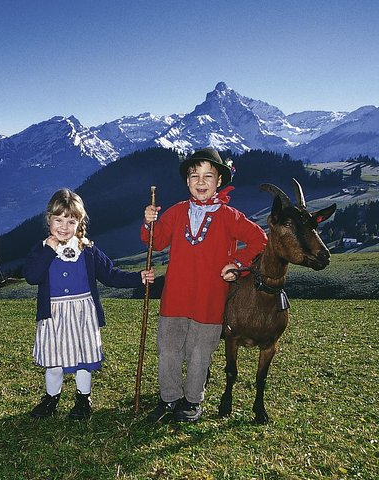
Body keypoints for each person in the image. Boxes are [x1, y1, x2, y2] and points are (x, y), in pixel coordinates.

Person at [141, 148, 267, 423]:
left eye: (208, 176)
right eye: (194, 175)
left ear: (219, 180)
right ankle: (169, 398)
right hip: (174, 297)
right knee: (169, 349)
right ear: (187, 181)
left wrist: (237, 263)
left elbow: (260, 241)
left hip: (210, 299)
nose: (201, 181)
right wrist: (150, 223)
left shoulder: (230, 216)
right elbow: (157, 241)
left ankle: (192, 400)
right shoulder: (176, 212)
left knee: (200, 352)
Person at [24, 188, 151, 420]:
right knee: (54, 361)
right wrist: (49, 250)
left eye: (70, 221)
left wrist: (139, 277)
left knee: (83, 360)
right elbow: (32, 276)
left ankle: (83, 399)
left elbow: (111, 275)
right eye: (58, 220)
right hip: (54, 314)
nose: (63, 227)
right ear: (48, 220)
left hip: (83, 314)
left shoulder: (88, 250)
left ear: (79, 222)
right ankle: (51, 398)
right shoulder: (42, 249)